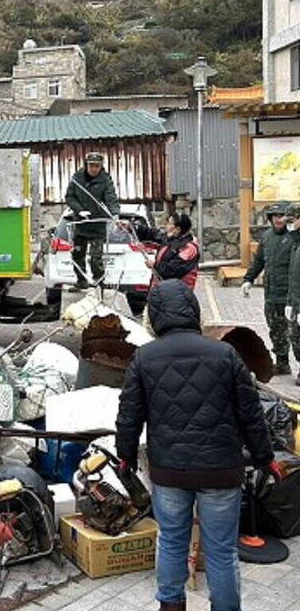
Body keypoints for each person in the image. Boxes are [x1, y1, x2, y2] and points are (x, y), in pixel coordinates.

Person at [116, 279, 281, 611]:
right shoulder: (225, 353)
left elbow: (129, 415)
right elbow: (250, 413)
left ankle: (171, 606)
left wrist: (126, 456)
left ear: (156, 315)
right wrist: (265, 457)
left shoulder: (144, 358)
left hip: (169, 471)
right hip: (221, 470)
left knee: (171, 542)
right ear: (192, 310)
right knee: (221, 551)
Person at [242, 202, 300, 376]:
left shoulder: (295, 238)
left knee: (295, 333)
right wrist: (248, 279)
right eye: (274, 216)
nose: (278, 220)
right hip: (272, 294)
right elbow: (259, 260)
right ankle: (282, 362)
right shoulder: (267, 237)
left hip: (290, 295)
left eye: (281, 216)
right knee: (275, 329)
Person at [64, 152, 120, 289]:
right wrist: (79, 210)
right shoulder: (77, 178)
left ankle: (99, 282)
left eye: (97, 166)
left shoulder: (105, 180)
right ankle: (81, 280)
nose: (94, 169)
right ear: (86, 165)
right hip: (81, 224)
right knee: (77, 255)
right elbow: (69, 197)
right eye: (91, 165)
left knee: (96, 258)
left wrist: (115, 214)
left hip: (97, 225)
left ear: (101, 166)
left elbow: (111, 198)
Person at [137, 213, 200, 290]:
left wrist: (154, 265)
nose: (166, 226)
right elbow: (154, 235)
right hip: (163, 287)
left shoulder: (189, 248)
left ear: (177, 229)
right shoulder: (171, 238)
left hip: (177, 291)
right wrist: (135, 228)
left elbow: (172, 270)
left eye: (169, 223)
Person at [284, 204, 300, 385]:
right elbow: (293, 277)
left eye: (292, 220)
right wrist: (290, 302)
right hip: (295, 301)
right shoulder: (296, 243)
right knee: (295, 338)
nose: (289, 224)